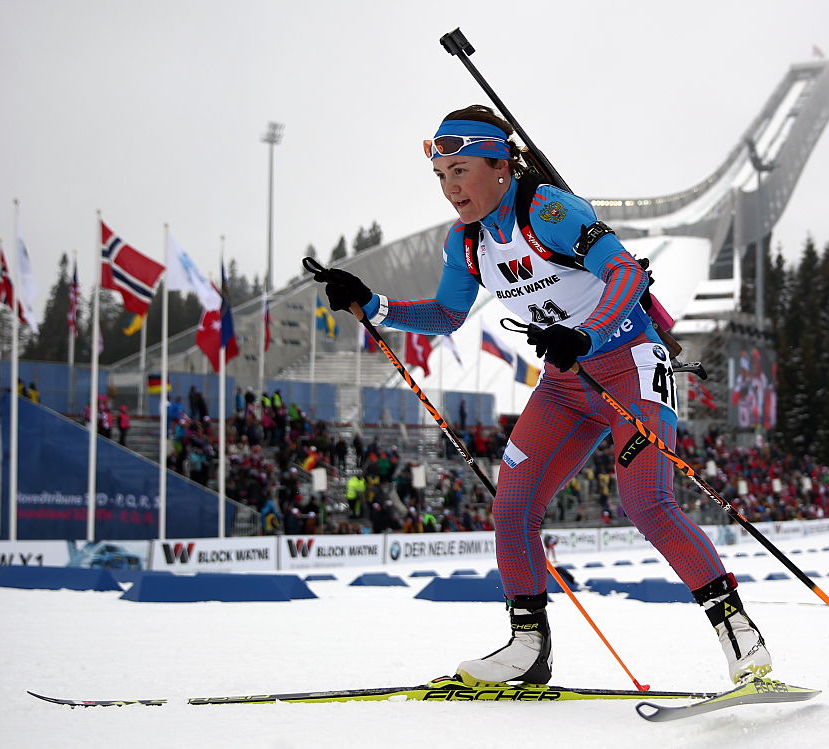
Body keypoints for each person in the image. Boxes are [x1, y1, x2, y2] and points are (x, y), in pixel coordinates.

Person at [310, 104, 772, 688]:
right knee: (512, 504)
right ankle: (528, 649)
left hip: (628, 365)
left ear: (500, 164)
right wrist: (372, 303)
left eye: (461, 170)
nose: (451, 188)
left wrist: (585, 333)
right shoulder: (468, 242)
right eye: (441, 176)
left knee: (645, 500)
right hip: (564, 384)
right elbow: (448, 314)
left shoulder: (547, 211)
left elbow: (628, 274)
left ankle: (739, 634)